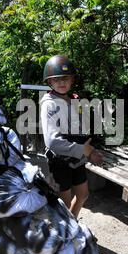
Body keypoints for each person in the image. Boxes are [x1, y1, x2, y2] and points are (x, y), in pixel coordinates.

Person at [40, 55, 104, 219]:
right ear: (49, 82)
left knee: (83, 195)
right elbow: (52, 141)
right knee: (64, 204)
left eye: (65, 78)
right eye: (56, 79)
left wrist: (91, 149)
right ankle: (64, 234)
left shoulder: (73, 99)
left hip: (77, 158)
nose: (61, 83)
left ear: (72, 80)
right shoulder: (50, 104)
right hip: (61, 161)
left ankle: (72, 224)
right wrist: (84, 150)